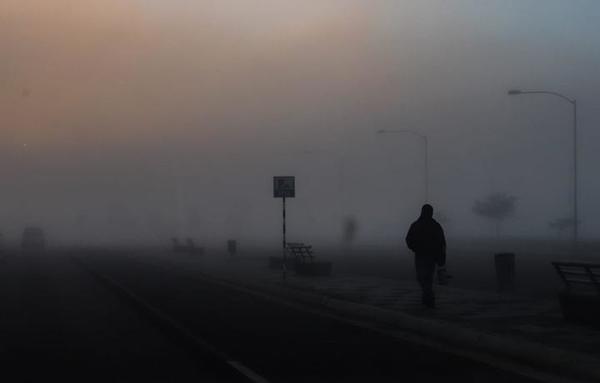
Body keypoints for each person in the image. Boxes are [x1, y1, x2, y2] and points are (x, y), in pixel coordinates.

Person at [405, 204, 446, 308]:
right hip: (430, 257)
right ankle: (428, 298)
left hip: (421, 256)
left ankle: (428, 298)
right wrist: (441, 257)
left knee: (422, 278)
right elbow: (442, 243)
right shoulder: (435, 225)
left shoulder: (417, 224)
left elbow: (409, 240)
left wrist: (416, 248)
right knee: (427, 278)